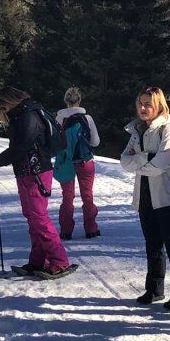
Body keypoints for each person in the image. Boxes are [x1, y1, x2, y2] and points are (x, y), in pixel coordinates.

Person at [0, 87, 73, 280]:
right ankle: (38, 260)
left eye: (1, 110)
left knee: (39, 217)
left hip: (36, 172)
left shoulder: (28, 116)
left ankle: (59, 261)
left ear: (6, 105)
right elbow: (20, 147)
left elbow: (21, 146)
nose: (2, 115)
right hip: (28, 171)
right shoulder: (22, 115)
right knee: (32, 217)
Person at [121, 86, 170, 310]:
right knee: (152, 244)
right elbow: (124, 162)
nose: (143, 108)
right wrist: (147, 158)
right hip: (145, 196)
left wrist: (140, 162)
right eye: (140, 103)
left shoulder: (167, 128)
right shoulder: (136, 130)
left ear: (159, 106)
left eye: (148, 104)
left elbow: (163, 163)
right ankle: (154, 289)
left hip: (169, 196)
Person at [55, 87, 101, 240]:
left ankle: (66, 230)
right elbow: (95, 142)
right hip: (85, 161)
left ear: (65, 101)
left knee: (67, 197)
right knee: (87, 195)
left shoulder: (60, 118)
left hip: (67, 162)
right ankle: (91, 228)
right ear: (79, 101)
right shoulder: (87, 118)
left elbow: (55, 143)